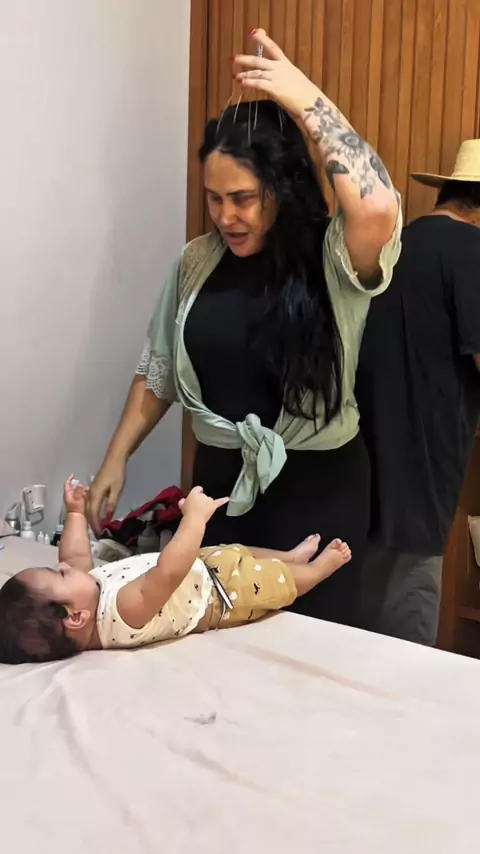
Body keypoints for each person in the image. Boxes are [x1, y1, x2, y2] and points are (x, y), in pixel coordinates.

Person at [88, 29, 401, 629]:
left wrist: (304, 98)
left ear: (281, 188)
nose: (225, 216)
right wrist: (116, 458)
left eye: (243, 198)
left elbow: (378, 205)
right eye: (213, 199)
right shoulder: (197, 261)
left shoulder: (332, 258)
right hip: (217, 498)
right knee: (213, 648)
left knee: (305, 654)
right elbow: (158, 370)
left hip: (318, 497)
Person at [0, 478, 352, 665]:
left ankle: (290, 556)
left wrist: (76, 514)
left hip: (201, 569)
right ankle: (316, 570)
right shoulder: (123, 612)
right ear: (76, 617)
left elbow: (76, 556)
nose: (63, 566)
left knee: (239, 551)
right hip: (220, 597)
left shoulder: (86, 597)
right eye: (59, 575)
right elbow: (168, 573)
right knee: (275, 582)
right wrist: (194, 519)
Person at [356, 139, 480, 646]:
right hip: (426, 461)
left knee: (364, 608)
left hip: (361, 457)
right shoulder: (472, 250)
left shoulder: (396, 245)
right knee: (410, 615)